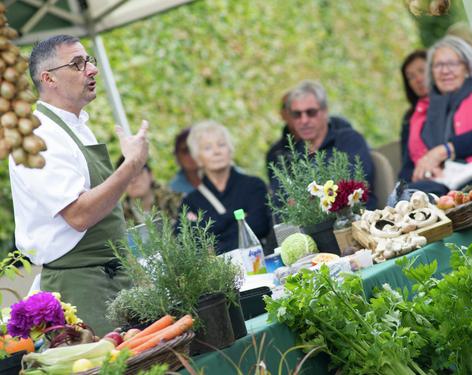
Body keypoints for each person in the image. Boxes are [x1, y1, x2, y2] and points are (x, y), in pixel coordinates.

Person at [8, 35, 149, 335]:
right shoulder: (39, 136)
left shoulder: (78, 125)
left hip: (115, 274)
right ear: (49, 79)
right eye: (77, 64)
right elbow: (79, 215)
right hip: (79, 287)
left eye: (89, 61)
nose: (91, 70)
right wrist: (132, 165)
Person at [274, 80, 377, 209]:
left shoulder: (349, 139)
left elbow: (351, 187)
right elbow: (279, 203)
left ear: (325, 111)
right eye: (297, 114)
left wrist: (303, 199)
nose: (304, 120)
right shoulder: (292, 154)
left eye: (311, 112)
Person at [178, 120, 272, 254]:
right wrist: (235, 217)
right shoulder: (190, 202)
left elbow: (259, 226)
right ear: (198, 158)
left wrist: (209, 232)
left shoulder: (254, 186)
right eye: (207, 148)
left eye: (221, 145)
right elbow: (187, 243)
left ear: (230, 150)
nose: (216, 151)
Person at [399, 36, 472, 195]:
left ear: (466, 67)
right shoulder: (436, 107)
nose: (445, 71)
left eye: (452, 63)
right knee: (409, 196)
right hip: (447, 183)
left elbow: (439, 150)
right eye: (438, 65)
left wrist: (446, 149)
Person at [266, 90, 352, 193]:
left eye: (310, 111)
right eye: (294, 111)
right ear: (283, 114)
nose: (304, 119)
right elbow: (279, 192)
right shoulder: (276, 153)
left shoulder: (341, 129)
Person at [116, 156, 182, 223]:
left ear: (151, 175)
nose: (133, 180)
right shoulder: (119, 216)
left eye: (138, 172)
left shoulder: (174, 200)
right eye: (127, 176)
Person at [399, 50, 428, 164]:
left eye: (422, 71)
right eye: (411, 77)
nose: (418, 79)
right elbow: (406, 162)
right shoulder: (409, 117)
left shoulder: (454, 103)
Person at [169, 128, 201, 195]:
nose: (191, 155)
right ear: (177, 156)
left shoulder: (223, 180)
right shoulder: (172, 190)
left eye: (195, 150)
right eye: (186, 151)